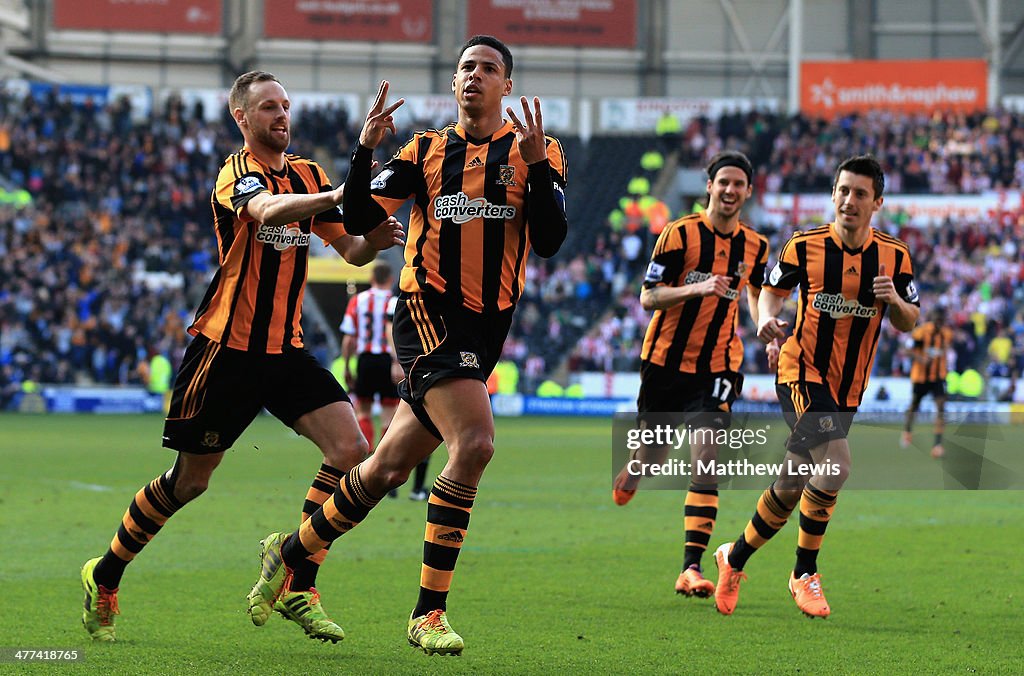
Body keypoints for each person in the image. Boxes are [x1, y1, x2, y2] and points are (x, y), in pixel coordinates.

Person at [246, 35, 568, 656]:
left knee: (387, 468)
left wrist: (542, 167)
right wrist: (364, 149)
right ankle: (428, 612)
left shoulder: (539, 151)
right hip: (427, 311)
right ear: (454, 84)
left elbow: (550, 240)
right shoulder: (424, 150)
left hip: (487, 327)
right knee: (474, 444)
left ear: (507, 85)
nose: (475, 77)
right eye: (466, 68)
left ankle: (289, 553)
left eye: (489, 69)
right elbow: (365, 215)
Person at [79, 70, 405, 643]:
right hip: (224, 352)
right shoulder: (237, 174)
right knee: (190, 483)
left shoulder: (307, 171)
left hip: (286, 351)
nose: (282, 116)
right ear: (242, 118)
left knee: (353, 450)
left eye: (286, 106)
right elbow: (267, 214)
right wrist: (340, 195)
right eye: (268, 108)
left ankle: (298, 579)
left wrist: (369, 243)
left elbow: (350, 250)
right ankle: (104, 575)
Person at [713, 155, 920, 619]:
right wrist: (767, 320)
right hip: (801, 371)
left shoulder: (894, 256)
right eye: (843, 190)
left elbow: (910, 320)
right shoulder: (803, 246)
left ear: (877, 202)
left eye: (860, 193)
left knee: (790, 484)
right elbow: (771, 293)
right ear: (833, 194)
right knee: (837, 464)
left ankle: (734, 557)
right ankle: (804, 571)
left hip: (850, 387)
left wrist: (893, 302)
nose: (849, 200)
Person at [610, 150, 771, 598]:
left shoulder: (754, 245)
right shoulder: (679, 234)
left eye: (739, 183)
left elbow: (757, 293)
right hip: (664, 362)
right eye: (724, 182)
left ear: (748, 191)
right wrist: (698, 287)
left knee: (707, 458)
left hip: (718, 364)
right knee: (654, 455)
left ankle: (691, 567)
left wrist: (763, 326)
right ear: (709, 186)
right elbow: (648, 297)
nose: (730, 190)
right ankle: (637, 468)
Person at [901, 307, 953, 458]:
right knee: (914, 405)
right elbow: (908, 350)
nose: (939, 324)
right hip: (921, 377)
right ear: (933, 319)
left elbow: (944, 352)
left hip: (938, 377)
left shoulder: (947, 334)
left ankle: (937, 445)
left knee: (941, 407)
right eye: (937, 321)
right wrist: (921, 359)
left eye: (941, 321)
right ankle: (907, 431)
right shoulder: (921, 332)